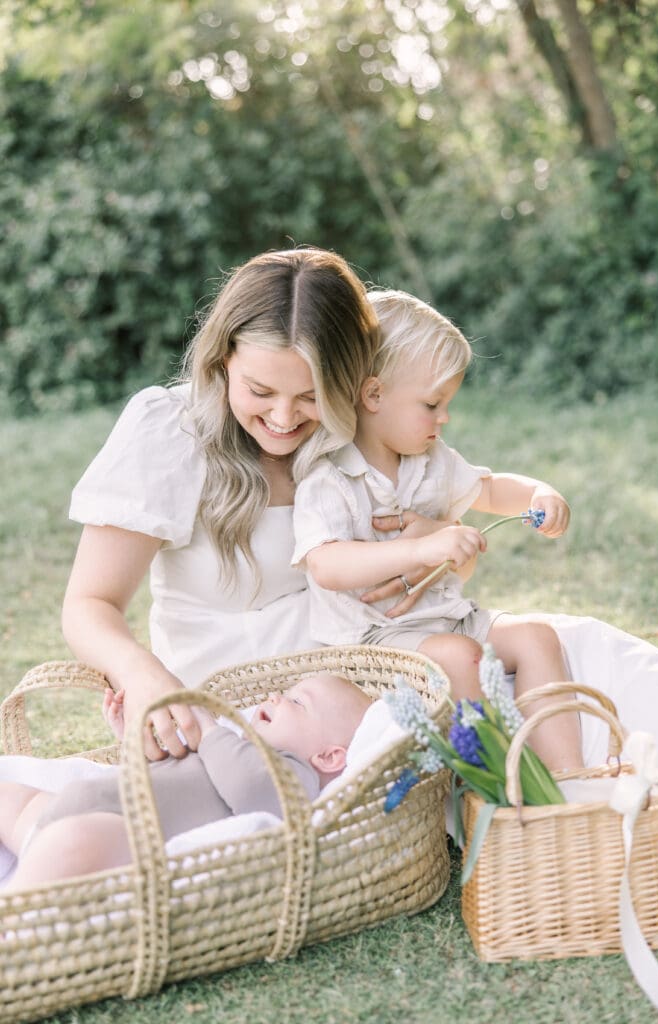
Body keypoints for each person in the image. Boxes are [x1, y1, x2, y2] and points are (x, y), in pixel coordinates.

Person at [59, 247, 383, 762]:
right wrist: (142, 675)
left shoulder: (360, 429)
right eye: (260, 390)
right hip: (217, 734)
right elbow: (88, 606)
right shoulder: (172, 431)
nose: (284, 418)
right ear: (222, 360)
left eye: (311, 396)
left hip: (348, 727)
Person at [292, 288, 583, 771]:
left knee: (537, 637)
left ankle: (567, 778)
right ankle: (492, 786)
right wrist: (421, 549)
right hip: (374, 642)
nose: (444, 417)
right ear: (374, 395)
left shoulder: (431, 460)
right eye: (432, 403)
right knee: (461, 657)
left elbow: (490, 489)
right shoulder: (331, 478)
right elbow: (326, 564)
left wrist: (539, 493)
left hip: (448, 617)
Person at [0, 673, 372, 891]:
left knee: (74, 840)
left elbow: (253, 789)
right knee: (8, 795)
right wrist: (131, 739)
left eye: (297, 702)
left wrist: (208, 726)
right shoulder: (232, 748)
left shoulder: (292, 774)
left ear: (328, 757)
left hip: (107, 838)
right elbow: (162, 774)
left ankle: (15, 911)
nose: (276, 697)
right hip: (57, 810)